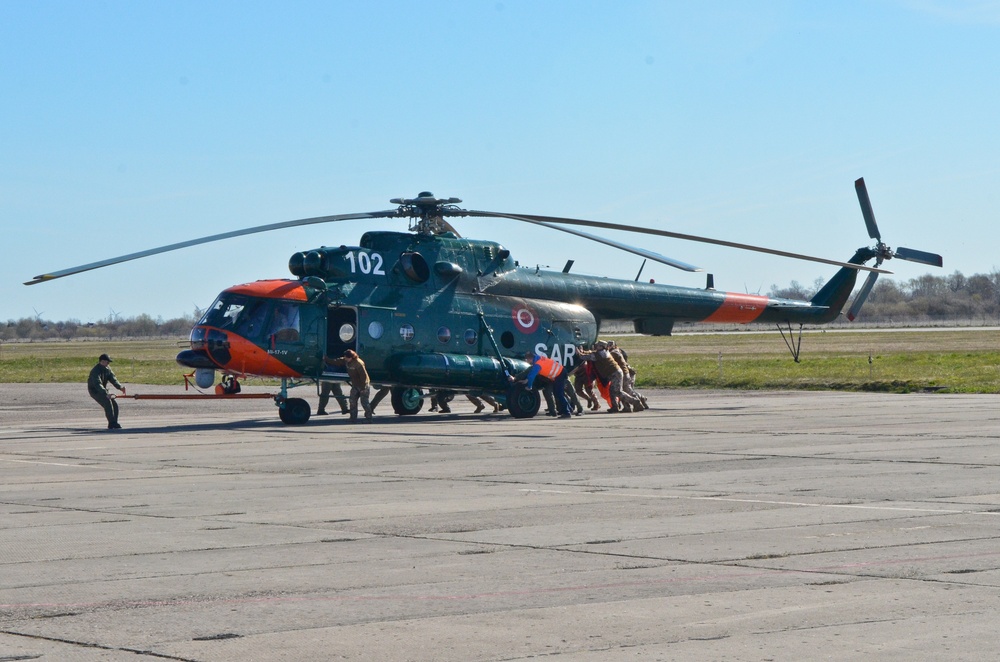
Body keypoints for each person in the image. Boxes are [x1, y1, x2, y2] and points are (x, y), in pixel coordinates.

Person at [511, 351, 571, 418]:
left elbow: (531, 376)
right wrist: (526, 380)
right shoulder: (540, 358)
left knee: (559, 394)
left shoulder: (538, 364)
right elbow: (532, 373)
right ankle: (568, 409)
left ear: (530, 359)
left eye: (527, 360)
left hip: (559, 375)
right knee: (558, 393)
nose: (527, 362)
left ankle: (567, 412)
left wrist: (529, 386)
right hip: (560, 372)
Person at [323, 350, 373, 422]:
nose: (345, 359)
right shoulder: (346, 361)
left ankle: (369, 418)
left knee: (364, 402)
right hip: (355, 384)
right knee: (352, 400)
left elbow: (363, 376)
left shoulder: (359, 363)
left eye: (347, 357)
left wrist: (363, 388)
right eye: (345, 357)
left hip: (363, 384)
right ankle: (353, 418)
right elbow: (336, 361)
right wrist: (326, 359)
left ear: (351, 357)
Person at [88, 353, 125, 430]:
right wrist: (105, 393)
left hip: (102, 390)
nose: (108, 363)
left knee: (114, 404)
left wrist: (120, 387)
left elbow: (113, 379)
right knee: (107, 402)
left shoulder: (107, 368)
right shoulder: (95, 371)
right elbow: (97, 384)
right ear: (102, 361)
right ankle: (111, 423)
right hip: (95, 391)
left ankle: (114, 422)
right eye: (107, 362)